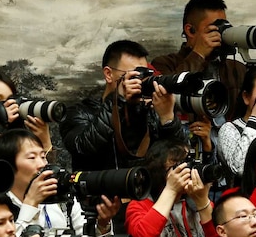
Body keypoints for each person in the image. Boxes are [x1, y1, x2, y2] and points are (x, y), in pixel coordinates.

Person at [60, 40, 185, 171]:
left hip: (144, 189)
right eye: (135, 75)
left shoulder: (149, 112)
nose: (141, 81)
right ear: (108, 74)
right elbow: (83, 148)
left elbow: (178, 157)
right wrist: (117, 101)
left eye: (145, 74)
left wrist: (167, 118)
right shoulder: (79, 112)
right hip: (99, 190)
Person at [0, 129, 119, 237]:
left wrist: (103, 225)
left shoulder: (61, 197)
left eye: (43, 156)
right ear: (7, 167)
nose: (42, 164)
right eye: (32, 157)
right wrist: (31, 203)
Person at [151, 0, 247, 118]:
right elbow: (169, 96)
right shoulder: (164, 64)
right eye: (214, 29)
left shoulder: (237, 69)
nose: (220, 34)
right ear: (190, 30)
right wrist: (198, 54)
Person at [125, 139, 213, 237]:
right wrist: (171, 190)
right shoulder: (141, 204)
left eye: (188, 163)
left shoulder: (196, 200)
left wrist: (202, 202)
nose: (187, 170)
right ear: (159, 170)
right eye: (178, 165)